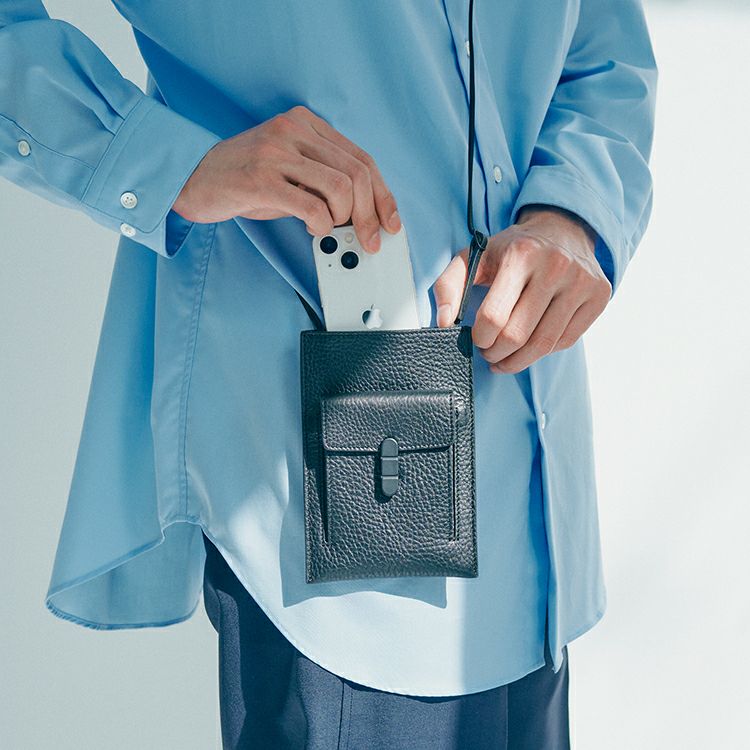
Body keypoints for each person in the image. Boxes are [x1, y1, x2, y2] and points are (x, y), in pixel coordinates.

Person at [0, 0, 657, 747]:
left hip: (535, 520)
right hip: (332, 540)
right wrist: (170, 163)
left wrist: (572, 214)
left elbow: (604, 45)